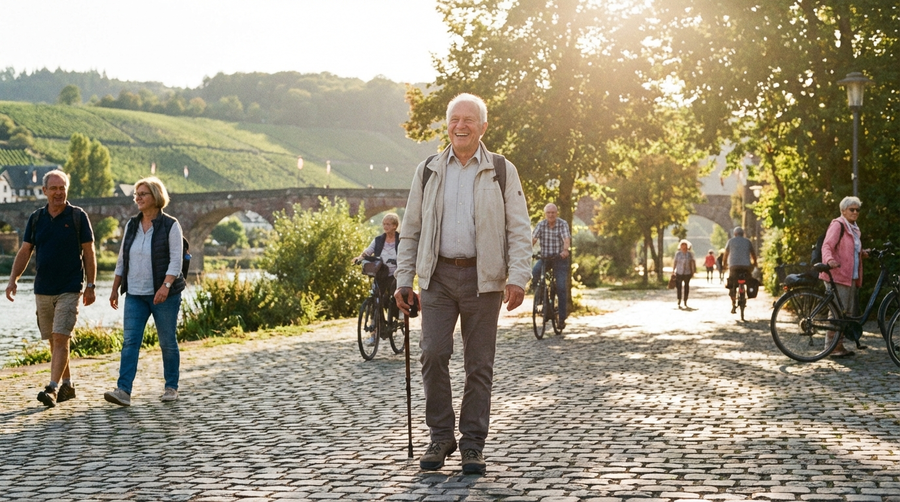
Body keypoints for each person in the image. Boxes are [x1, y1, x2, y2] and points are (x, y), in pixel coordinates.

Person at [394, 93, 532, 475]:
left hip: (483, 280)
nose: (461, 126)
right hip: (437, 277)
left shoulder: (502, 170)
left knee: (479, 365)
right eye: (455, 119)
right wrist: (404, 279)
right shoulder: (428, 170)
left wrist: (518, 277)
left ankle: (472, 443)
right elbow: (411, 230)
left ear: (483, 127)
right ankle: (440, 437)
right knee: (433, 354)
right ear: (448, 125)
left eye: (469, 119)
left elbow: (519, 228)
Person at [5, 170, 96, 408]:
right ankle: (67, 383)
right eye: (53, 188)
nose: (58, 192)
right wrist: (13, 279)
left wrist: (91, 285)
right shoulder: (36, 219)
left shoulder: (78, 216)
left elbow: (89, 252)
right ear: (44, 191)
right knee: (53, 340)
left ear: (67, 189)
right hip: (42, 288)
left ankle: (52, 389)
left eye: (62, 187)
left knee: (60, 336)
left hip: (70, 287)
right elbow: (25, 250)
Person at [104, 177, 185, 407]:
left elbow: (175, 262)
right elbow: (122, 260)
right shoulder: (131, 225)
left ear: (156, 197)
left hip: (164, 295)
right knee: (130, 342)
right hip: (135, 294)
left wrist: (165, 287)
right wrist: (114, 289)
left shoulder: (171, 225)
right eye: (136, 194)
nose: (137, 198)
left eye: (143, 194)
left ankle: (171, 387)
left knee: (167, 341)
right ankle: (123, 391)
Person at [820, 196, 866, 358]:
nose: (855, 212)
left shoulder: (853, 228)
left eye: (857, 210)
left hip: (850, 275)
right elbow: (827, 245)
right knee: (837, 312)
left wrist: (862, 253)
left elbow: (850, 250)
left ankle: (838, 346)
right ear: (843, 211)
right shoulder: (838, 225)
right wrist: (829, 260)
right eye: (851, 209)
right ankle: (832, 347)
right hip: (837, 274)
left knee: (845, 313)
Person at [354, 212, 401, 345]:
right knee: (375, 301)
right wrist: (360, 258)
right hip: (380, 273)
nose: (385, 226)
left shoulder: (401, 240)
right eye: (384, 224)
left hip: (395, 274)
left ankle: (398, 316)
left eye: (388, 224)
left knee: (394, 297)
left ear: (394, 226)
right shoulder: (378, 240)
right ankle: (374, 334)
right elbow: (368, 251)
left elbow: (406, 254)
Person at [531, 203, 571, 328]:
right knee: (534, 272)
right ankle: (541, 296)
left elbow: (566, 239)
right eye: (548, 213)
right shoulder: (541, 225)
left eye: (553, 212)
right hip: (545, 258)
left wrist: (565, 250)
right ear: (545, 214)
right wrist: (526, 252)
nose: (551, 215)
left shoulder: (562, 224)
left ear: (556, 213)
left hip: (559, 259)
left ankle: (562, 319)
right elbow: (533, 239)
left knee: (560, 287)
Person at [723, 226, 757, 314]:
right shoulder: (747, 241)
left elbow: (726, 254)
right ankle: (749, 291)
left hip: (734, 266)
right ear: (743, 234)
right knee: (749, 279)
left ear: (735, 234)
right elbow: (753, 254)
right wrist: (755, 263)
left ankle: (733, 303)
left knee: (732, 283)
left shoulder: (730, 241)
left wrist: (724, 264)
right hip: (746, 267)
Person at [673, 240, 696, 308]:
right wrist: (673, 270)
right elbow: (675, 262)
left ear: (687, 246)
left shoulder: (690, 254)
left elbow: (692, 262)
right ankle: (679, 299)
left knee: (686, 286)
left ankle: (685, 300)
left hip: (687, 272)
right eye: (682, 245)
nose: (683, 246)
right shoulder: (678, 254)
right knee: (679, 286)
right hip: (679, 272)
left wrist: (693, 271)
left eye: (685, 245)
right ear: (680, 246)